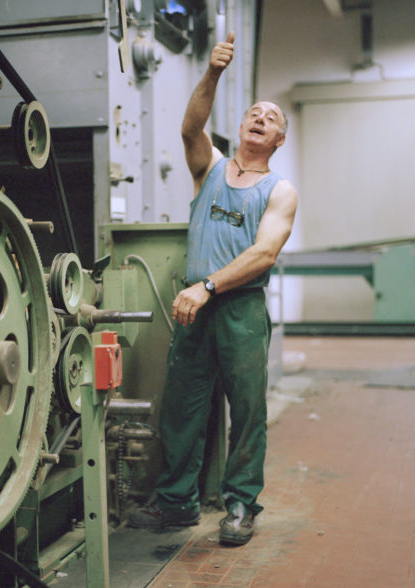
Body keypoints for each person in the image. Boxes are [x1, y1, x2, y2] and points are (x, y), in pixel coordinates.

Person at [127, 31, 298, 546]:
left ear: (279, 140)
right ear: (242, 126)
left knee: (246, 411)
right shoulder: (211, 168)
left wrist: (207, 285)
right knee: (181, 407)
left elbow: (264, 254)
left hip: (240, 309)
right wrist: (213, 72)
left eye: (271, 117)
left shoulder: (279, 191)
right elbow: (190, 127)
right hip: (195, 309)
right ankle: (176, 502)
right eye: (253, 112)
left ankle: (241, 504)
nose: (260, 117)